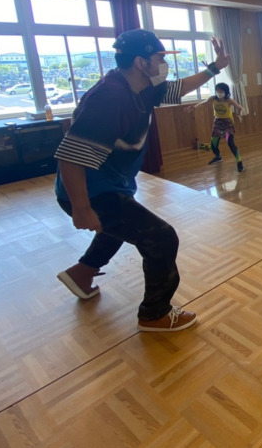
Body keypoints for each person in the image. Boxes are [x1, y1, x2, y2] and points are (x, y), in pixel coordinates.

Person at [54, 29, 229, 332]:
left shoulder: (144, 86)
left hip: (113, 186)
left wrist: (215, 67)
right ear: (140, 62)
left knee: (118, 228)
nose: (165, 63)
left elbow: (178, 89)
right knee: (161, 238)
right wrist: (81, 208)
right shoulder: (108, 98)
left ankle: (82, 272)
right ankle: (155, 313)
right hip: (91, 190)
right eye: (159, 57)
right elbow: (71, 157)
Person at [193, 82, 245, 172]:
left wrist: (240, 115)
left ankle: (239, 162)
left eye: (221, 91)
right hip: (217, 122)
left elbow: (241, 108)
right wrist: (194, 107)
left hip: (228, 123)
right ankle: (218, 157)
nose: (219, 92)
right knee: (213, 145)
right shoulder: (213, 98)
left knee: (230, 143)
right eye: (217, 90)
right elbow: (204, 103)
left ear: (225, 91)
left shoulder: (229, 100)